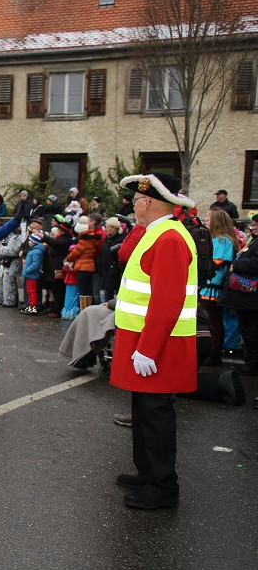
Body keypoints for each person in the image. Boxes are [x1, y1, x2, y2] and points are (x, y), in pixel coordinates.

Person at [111, 172, 197, 510]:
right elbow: (124, 255)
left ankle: (163, 486)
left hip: (160, 344)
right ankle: (147, 472)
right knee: (143, 410)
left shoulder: (170, 239)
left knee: (156, 415)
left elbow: (167, 301)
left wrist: (147, 349)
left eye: (136, 201)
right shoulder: (156, 233)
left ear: (148, 202)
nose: (133, 206)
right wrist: (141, 223)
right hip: (145, 340)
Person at [201, 210, 239, 366]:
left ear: (216, 222)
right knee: (211, 321)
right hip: (209, 286)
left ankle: (214, 353)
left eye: (208, 219)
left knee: (213, 322)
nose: (205, 221)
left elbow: (217, 264)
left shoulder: (222, 241)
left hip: (212, 288)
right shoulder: (217, 240)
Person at [66, 215, 102, 312]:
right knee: (88, 291)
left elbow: (76, 252)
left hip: (83, 266)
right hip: (89, 266)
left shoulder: (84, 239)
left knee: (83, 291)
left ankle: (84, 311)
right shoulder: (92, 238)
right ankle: (87, 310)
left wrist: (67, 259)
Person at [98, 217, 125, 302]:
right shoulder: (106, 239)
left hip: (115, 271)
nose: (106, 229)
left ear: (114, 228)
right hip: (105, 271)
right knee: (106, 296)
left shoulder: (121, 239)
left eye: (108, 227)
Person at [21, 227, 46, 314]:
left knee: (32, 291)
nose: (29, 242)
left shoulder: (36, 252)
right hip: (29, 274)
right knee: (29, 291)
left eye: (30, 240)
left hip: (31, 274)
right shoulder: (33, 251)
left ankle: (33, 307)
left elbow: (35, 264)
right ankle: (30, 306)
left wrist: (27, 270)